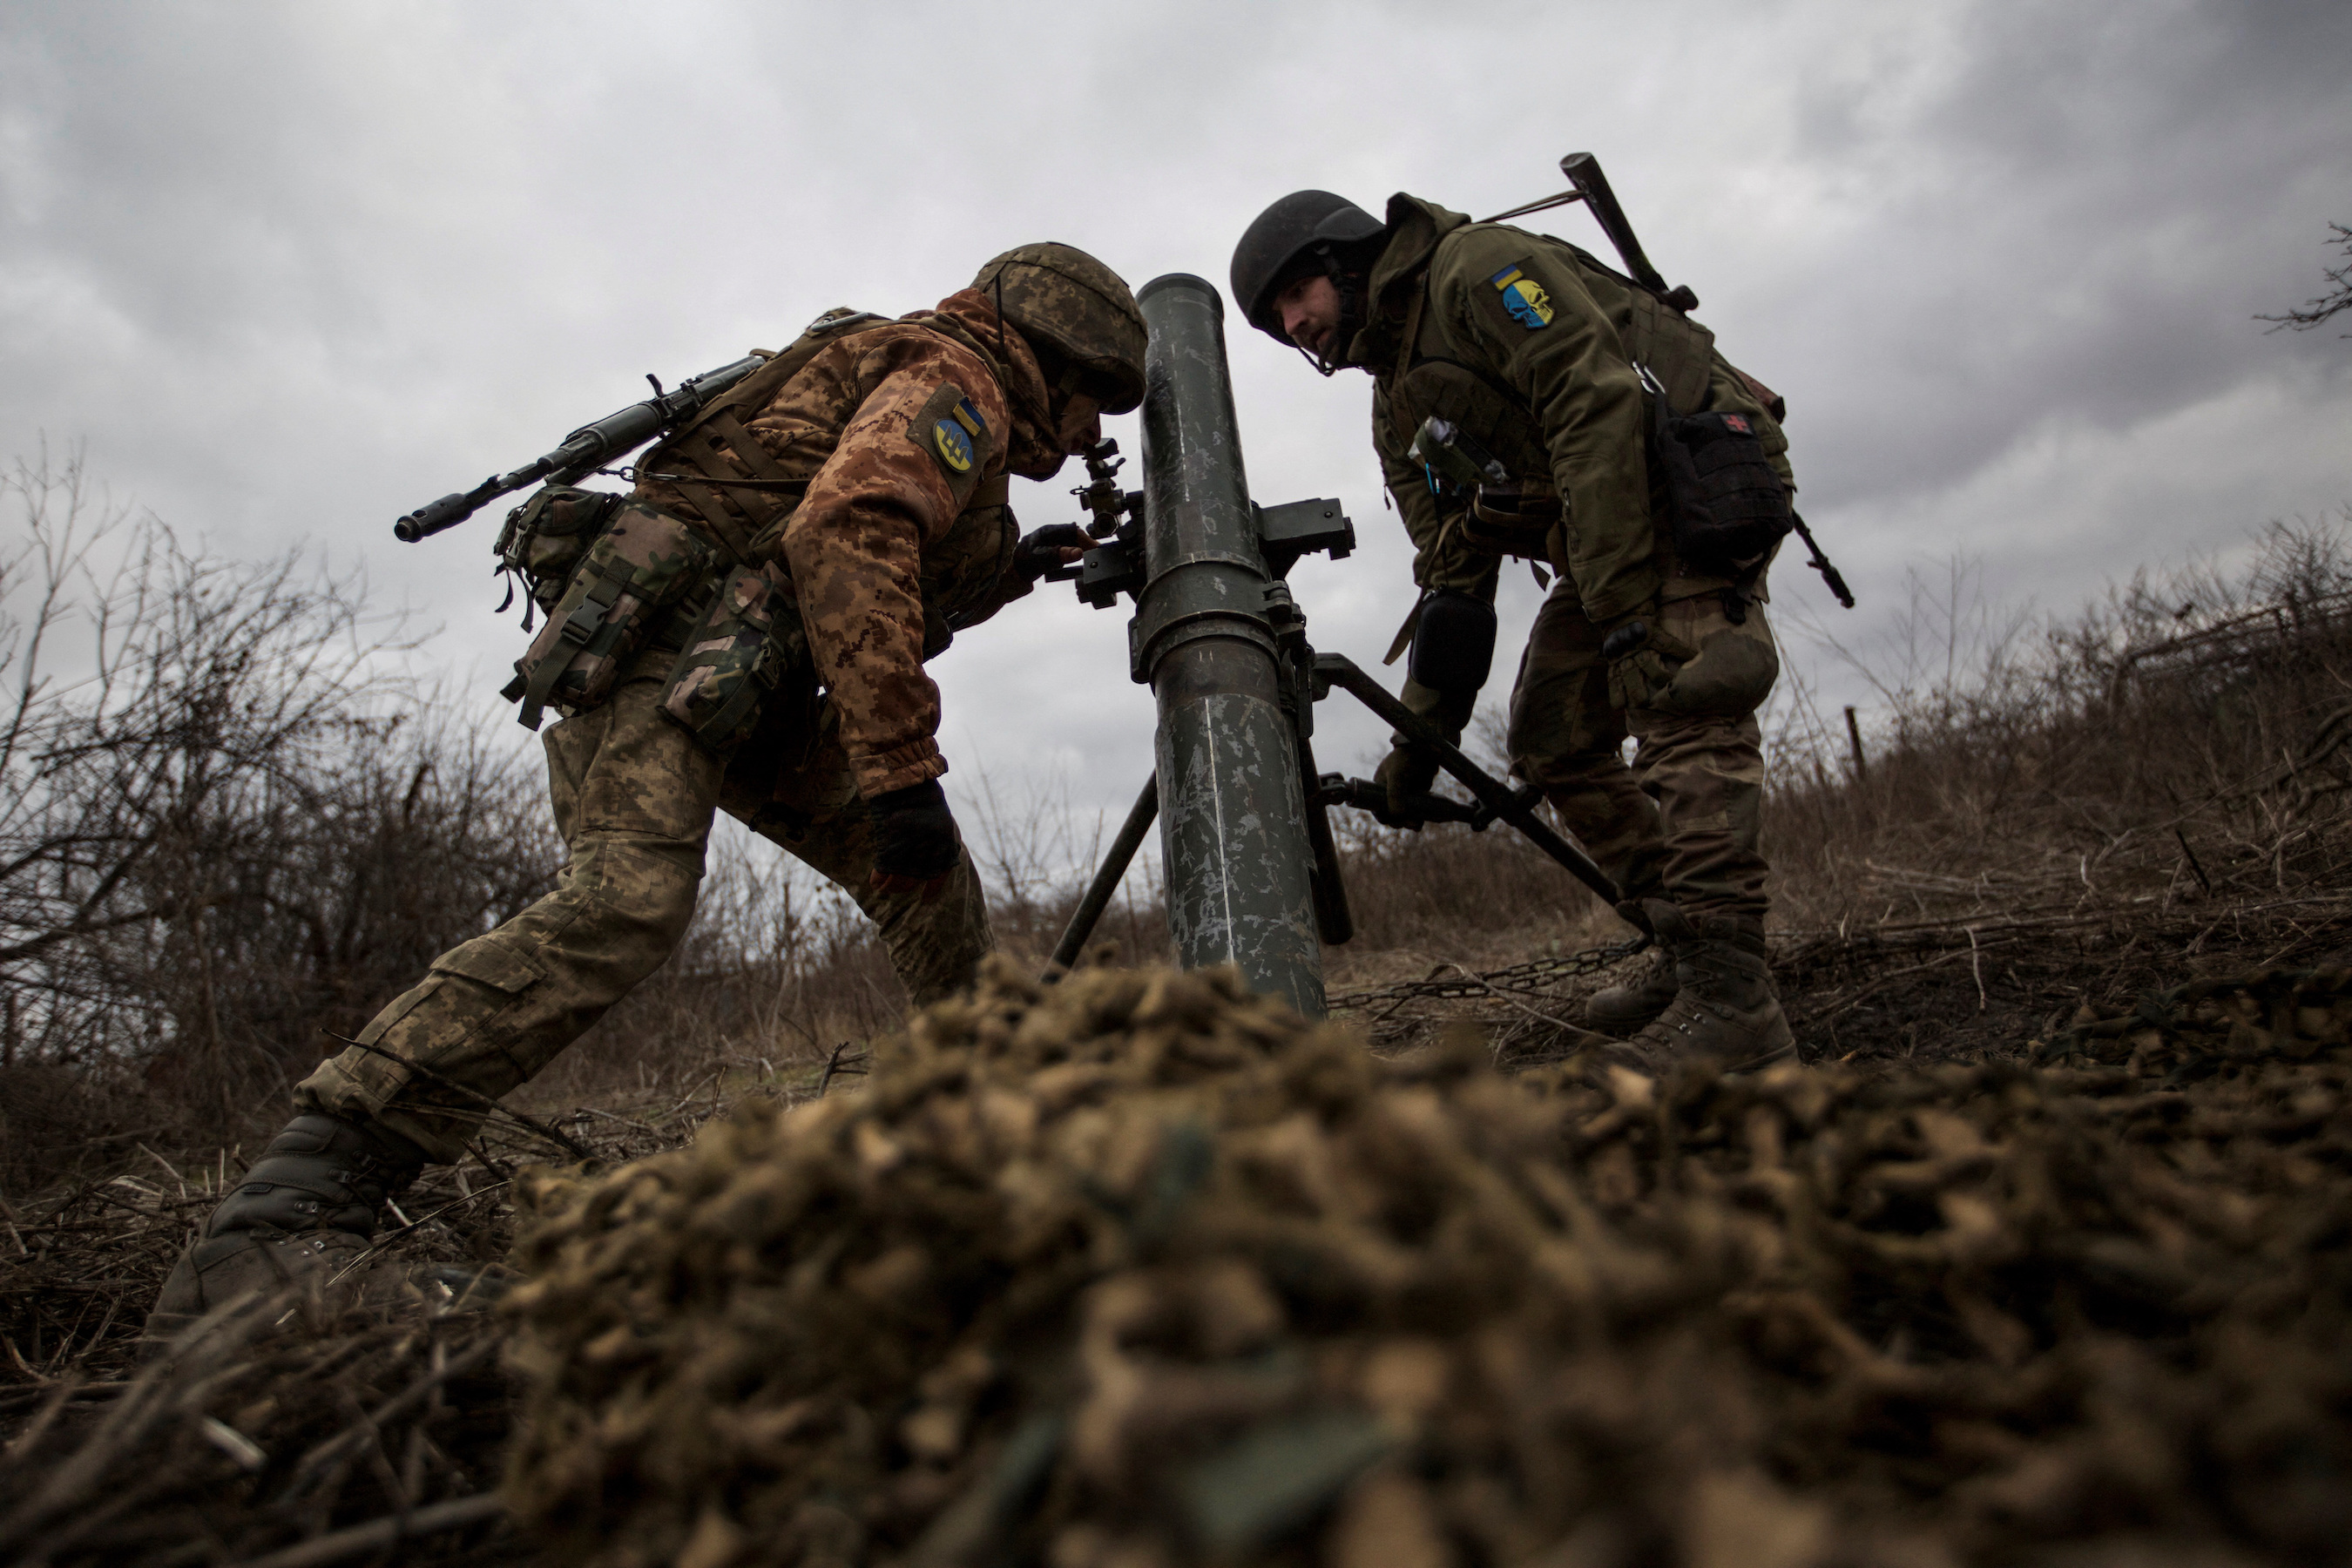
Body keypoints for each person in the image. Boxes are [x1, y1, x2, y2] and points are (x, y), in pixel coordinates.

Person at [145, 244, 1146, 1338]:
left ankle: (992, 1144)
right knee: (625, 899)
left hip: (739, 665)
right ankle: (281, 1214)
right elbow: (848, 534)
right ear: (1053, 349)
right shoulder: (955, 378)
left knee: (926, 884)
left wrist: (1007, 565)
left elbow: (860, 563)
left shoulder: (949, 404)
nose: (1094, 430)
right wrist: (900, 767)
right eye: (1095, 395)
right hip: (665, 638)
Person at [1230, 189, 1794, 1065]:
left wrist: (1616, 609)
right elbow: (1452, 573)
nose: (1295, 322)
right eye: (1276, 319)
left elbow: (1596, 402)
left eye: (1298, 293)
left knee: (1682, 698)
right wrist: (1417, 748)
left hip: (1688, 492)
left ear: (1346, 260)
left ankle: (1739, 1011)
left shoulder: (1478, 269)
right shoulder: (1396, 407)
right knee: (1554, 737)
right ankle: (1689, 955)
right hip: (1606, 538)